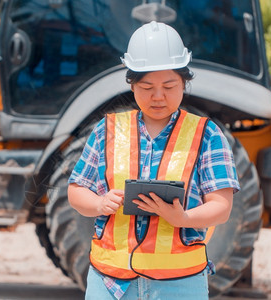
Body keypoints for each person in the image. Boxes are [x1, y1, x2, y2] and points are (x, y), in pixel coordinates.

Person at [67, 21, 240, 300]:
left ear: (184, 83)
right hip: (110, 284)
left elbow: (221, 207)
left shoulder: (206, 134)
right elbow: (76, 191)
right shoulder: (106, 130)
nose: (158, 96)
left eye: (169, 86)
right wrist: (99, 203)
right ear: (132, 84)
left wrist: (182, 218)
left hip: (179, 286)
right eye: (147, 86)